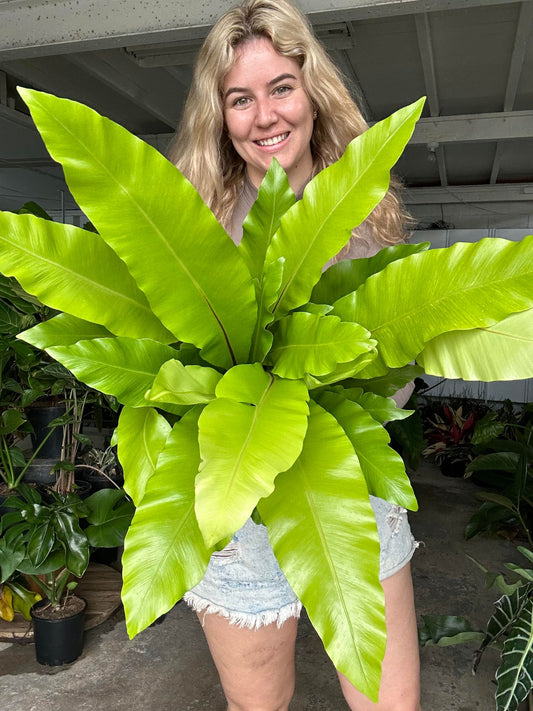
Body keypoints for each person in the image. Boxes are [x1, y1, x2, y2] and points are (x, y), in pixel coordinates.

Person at [168, 1, 421, 709]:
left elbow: (396, 377)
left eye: (280, 87)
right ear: (220, 116)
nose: (264, 116)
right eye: (239, 99)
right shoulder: (197, 227)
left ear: (312, 91)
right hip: (236, 519)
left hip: (348, 496)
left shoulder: (365, 214)